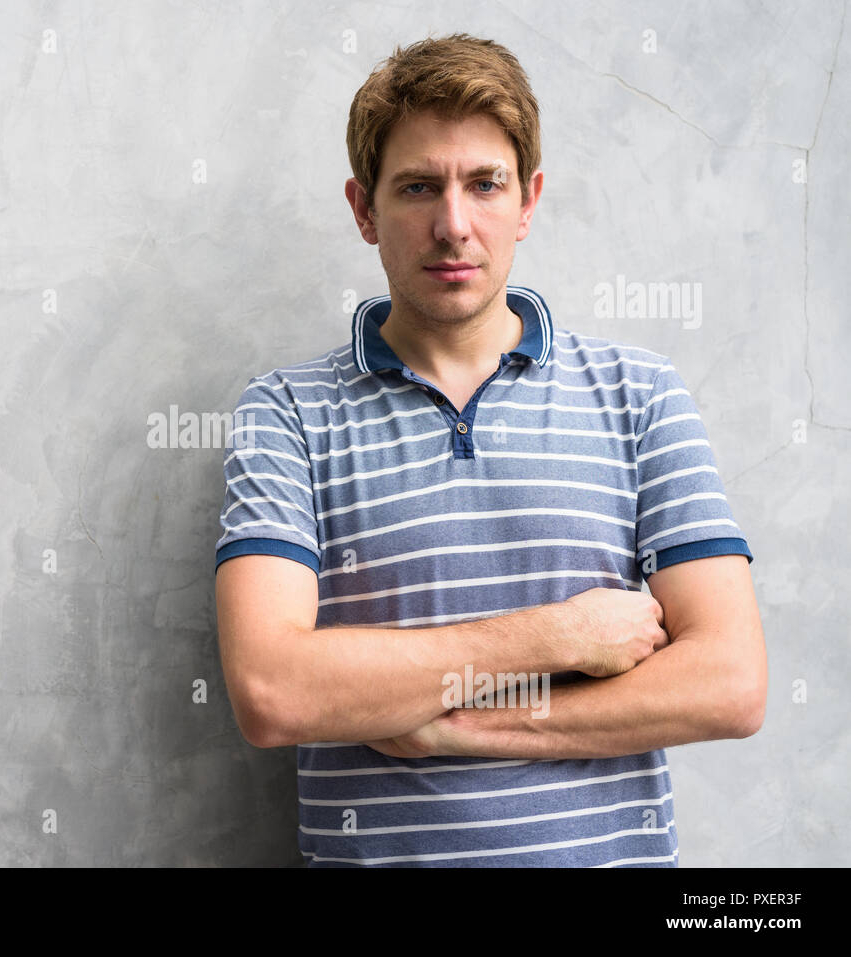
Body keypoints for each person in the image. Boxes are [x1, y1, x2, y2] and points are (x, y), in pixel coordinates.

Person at [213, 33, 766, 867]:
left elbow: (729, 682)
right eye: (417, 188)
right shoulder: (287, 413)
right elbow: (273, 691)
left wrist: (462, 727)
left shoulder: (640, 394)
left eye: (484, 184)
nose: (453, 224)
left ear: (528, 200)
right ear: (363, 210)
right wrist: (558, 637)